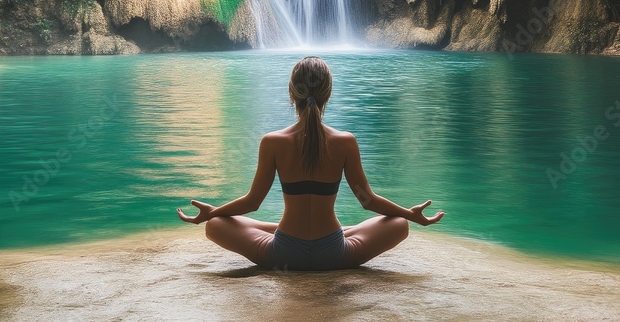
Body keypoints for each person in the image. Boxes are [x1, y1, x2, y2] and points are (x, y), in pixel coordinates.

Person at [177, 55, 445, 270]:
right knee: (398, 224)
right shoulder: (345, 141)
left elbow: (252, 202)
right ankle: (346, 231)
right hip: (335, 255)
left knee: (217, 225)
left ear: (292, 93)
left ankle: (274, 229)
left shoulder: (272, 141)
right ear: (328, 93)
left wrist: (211, 212)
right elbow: (368, 201)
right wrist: (411, 215)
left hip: (281, 254)